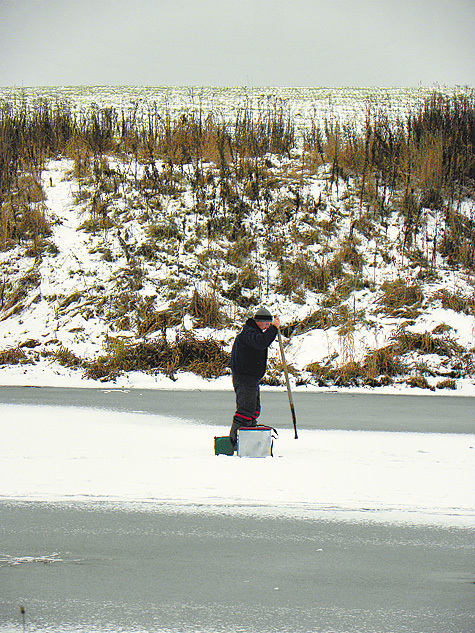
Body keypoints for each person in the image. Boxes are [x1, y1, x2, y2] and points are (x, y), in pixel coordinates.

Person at [229, 306, 280, 449]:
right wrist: (274, 329)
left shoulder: (255, 332)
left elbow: (262, 340)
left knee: (254, 410)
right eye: (267, 324)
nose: (268, 326)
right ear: (259, 322)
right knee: (245, 410)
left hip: (252, 378)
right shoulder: (249, 333)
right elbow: (261, 342)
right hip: (244, 378)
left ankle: (248, 439)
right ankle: (233, 443)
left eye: (270, 324)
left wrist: (272, 330)